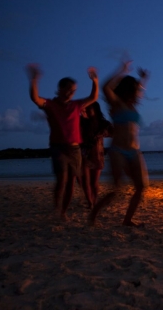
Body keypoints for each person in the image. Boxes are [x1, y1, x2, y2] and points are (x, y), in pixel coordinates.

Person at [27, 64, 99, 221]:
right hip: (58, 148)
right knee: (62, 180)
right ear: (60, 89)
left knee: (71, 185)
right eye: (68, 90)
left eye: (73, 91)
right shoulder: (50, 105)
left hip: (75, 149)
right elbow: (35, 98)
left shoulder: (76, 105)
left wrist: (95, 80)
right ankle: (57, 208)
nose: (71, 93)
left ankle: (63, 212)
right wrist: (34, 79)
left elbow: (93, 97)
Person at [89, 61, 149, 227]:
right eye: (136, 88)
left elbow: (140, 92)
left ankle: (127, 220)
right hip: (118, 151)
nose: (139, 91)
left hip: (134, 151)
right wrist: (122, 70)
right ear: (129, 90)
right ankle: (94, 212)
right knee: (117, 189)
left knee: (141, 187)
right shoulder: (116, 103)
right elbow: (106, 86)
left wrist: (143, 80)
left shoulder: (133, 106)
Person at [79, 102, 113, 208]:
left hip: (97, 154)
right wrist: (82, 116)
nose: (88, 111)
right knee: (85, 181)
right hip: (84, 154)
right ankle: (90, 202)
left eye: (90, 109)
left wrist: (101, 134)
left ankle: (94, 200)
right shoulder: (82, 122)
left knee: (94, 182)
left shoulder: (102, 123)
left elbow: (113, 132)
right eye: (86, 109)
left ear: (96, 110)